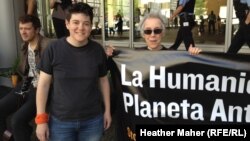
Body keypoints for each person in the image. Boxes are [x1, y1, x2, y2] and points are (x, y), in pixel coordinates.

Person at [35, 2, 111, 141]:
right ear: (67, 24)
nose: (81, 28)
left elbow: (103, 81)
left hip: (92, 120)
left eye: (86, 23)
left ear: (91, 26)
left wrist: (107, 111)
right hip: (61, 122)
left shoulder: (97, 50)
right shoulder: (53, 49)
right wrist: (41, 119)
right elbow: (43, 85)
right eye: (75, 22)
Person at [0, 15, 51, 141]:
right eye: (21, 28)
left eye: (27, 28)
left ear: (37, 30)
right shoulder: (25, 45)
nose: (23, 32)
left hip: (42, 88)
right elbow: (24, 70)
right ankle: (12, 136)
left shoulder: (48, 46)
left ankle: (21, 130)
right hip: (26, 84)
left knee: (17, 120)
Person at [106, 11, 201, 57]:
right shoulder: (134, 55)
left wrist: (193, 57)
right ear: (143, 34)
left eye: (157, 30)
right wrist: (112, 55)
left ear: (163, 32)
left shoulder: (172, 56)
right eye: (148, 31)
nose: (152, 35)